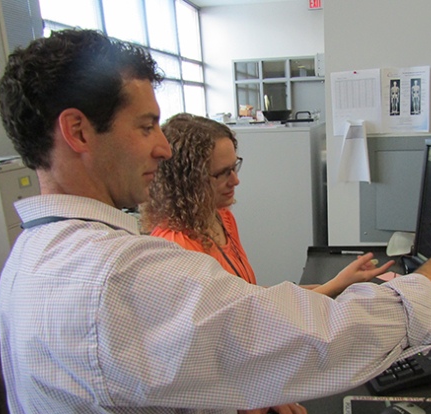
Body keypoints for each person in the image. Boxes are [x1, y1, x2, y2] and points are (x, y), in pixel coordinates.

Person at [0, 28, 431, 414]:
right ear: (78, 130)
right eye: (146, 126)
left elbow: (219, 341)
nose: (162, 146)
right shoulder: (115, 274)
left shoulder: (28, 258)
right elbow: (324, 339)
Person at [141, 113, 386, 294]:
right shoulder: (175, 249)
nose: (235, 180)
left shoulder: (221, 216)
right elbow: (246, 317)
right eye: (223, 173)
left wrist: (334, 284)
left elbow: (251, 295)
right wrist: (335, 286)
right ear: (188, 181)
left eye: (234, 167)